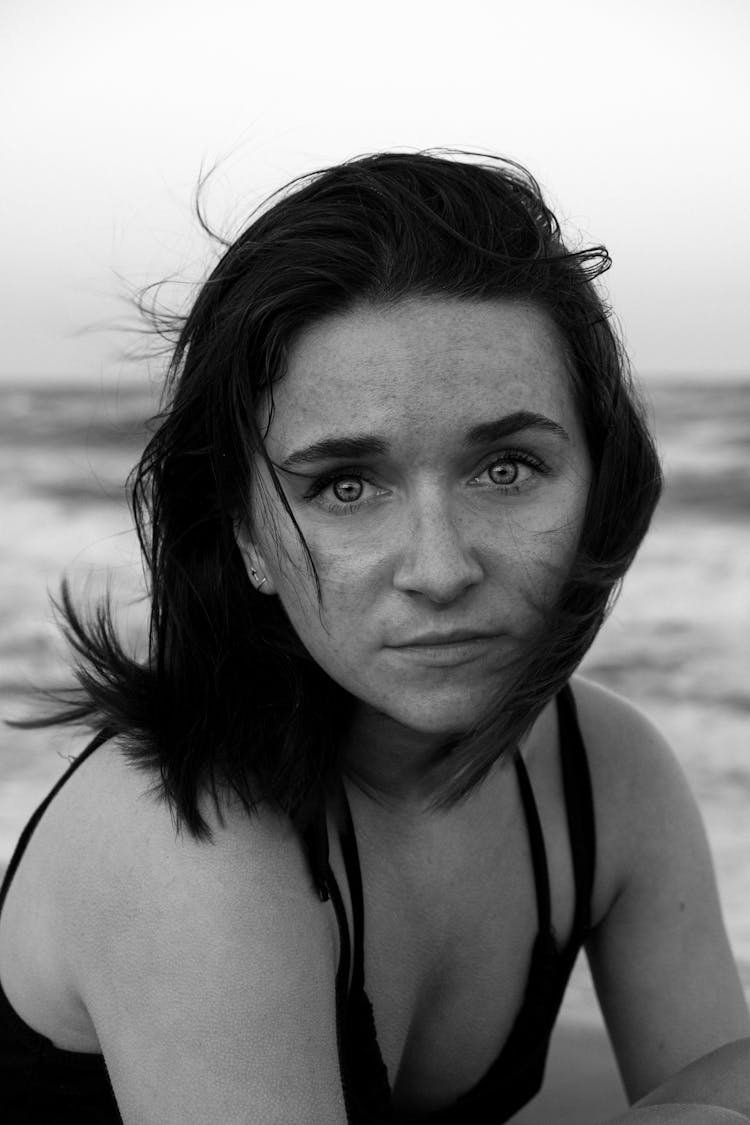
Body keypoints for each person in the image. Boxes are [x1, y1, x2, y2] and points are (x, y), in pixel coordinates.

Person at [1, 150, 748, 1125]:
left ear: (599, 483)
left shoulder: (603, 772)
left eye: (509, 468)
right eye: (346, 486)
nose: (439, 569)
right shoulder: (188, 842)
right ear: (246, 537)